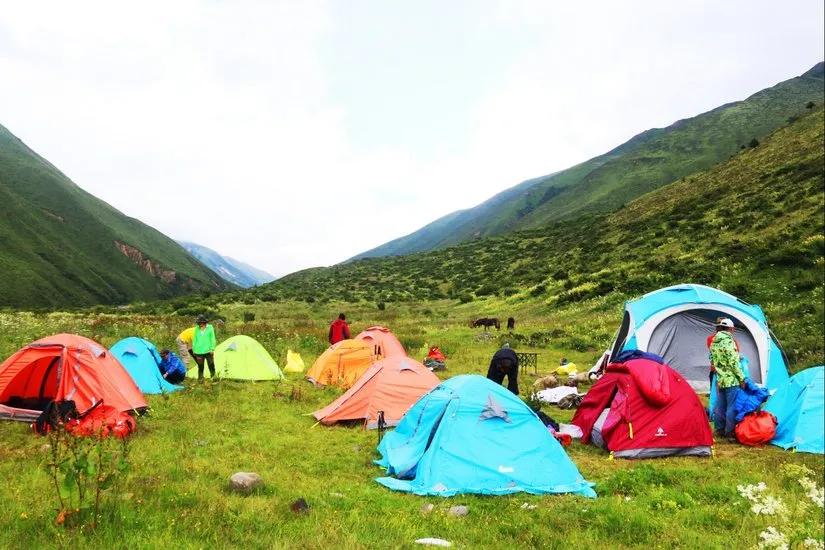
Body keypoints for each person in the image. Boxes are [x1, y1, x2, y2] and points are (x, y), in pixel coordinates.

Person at [709, 318, 746, 440]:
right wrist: (741, 378)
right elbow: (733, 362)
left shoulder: (714, 341)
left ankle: (719, 430)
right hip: (731, 379)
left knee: (720, 405)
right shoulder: (729, 341)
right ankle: (730, 433)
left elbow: (712, 359)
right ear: (731, 328)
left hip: (720, 378)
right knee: (731, 406)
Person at [192, 314, 217, 380]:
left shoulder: (210, 328)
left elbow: (212, 339)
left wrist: (212, 349)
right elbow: (195, 339)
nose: (200, 324)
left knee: (211, 364)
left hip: (208, 350)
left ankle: (213, 377)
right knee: (200, 366)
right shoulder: (196, 329)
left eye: (201, 323)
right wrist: (194, 349)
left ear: (205, 322)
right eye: (199, 323)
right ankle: (200, 379)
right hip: (198, 351)